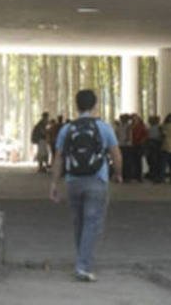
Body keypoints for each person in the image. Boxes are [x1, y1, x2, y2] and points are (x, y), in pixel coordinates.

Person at [49, 89, 121, 283]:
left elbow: (58, 158)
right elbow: (116, 154)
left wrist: (54, 183)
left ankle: (82, 260)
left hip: (73, 181)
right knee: (92, 223)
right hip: (97, 180)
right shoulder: (104, 127)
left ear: (76, 105)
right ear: (95, 105)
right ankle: (83, 266)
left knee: (79, 222)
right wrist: (119, 173)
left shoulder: (67, 129)